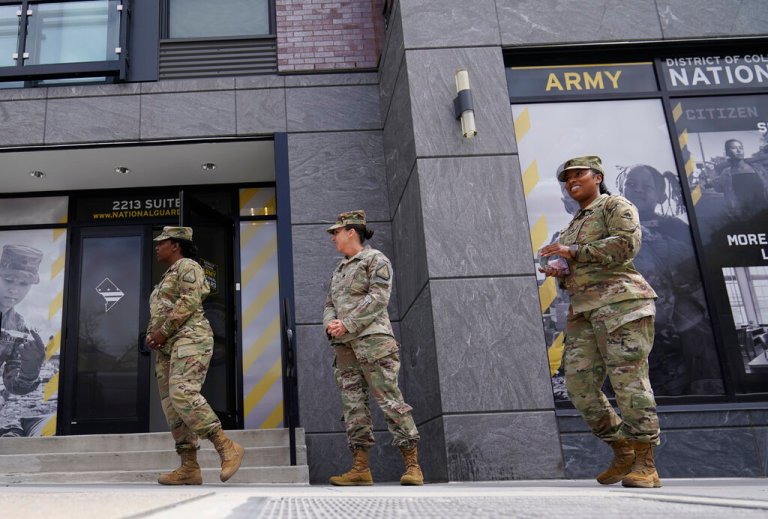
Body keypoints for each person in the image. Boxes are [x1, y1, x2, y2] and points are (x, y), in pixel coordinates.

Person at [539, 156, 662, 488]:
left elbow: (626, 245)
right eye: (567, 177)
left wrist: (574, 252)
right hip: (583, 312)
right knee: (578, 387)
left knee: (629, 383)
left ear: (597, 177)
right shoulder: (571, 224)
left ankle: (645, 462)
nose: (571, 180)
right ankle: (622, 449)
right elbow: (575, 261)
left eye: (579, 174)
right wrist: (560, 269)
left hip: (622, 304)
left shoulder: (615, 206)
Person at [323, 210, 423, 486]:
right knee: (353, 407)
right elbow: (330, 303)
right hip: (345, 348)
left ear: (351, 232)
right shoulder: (339, 270)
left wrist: (348, 323)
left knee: (390, 401)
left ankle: (413, 465)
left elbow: (379, 297)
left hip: (374, 343)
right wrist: (331, 325)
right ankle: (361, 469)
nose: (333, 237)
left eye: (336, 232)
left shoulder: (375, 260)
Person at [146, 226, 244, 485]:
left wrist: (163, 332)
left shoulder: (188, 266)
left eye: (162, 242)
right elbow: (161, 311)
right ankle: (189, 467)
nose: (157, 246)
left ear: (176, 245)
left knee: (182, 393)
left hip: (191, 339)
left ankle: (226, 446)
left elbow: (188, 302)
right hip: (168, 347)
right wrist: (152, 335)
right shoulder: (166, 277)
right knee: (173, 408)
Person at [0, 245, 46, 430]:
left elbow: (14, 387)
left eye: (23, 284)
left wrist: (30, 370)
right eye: (8, 280)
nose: (14, 290)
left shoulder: (18, 326)